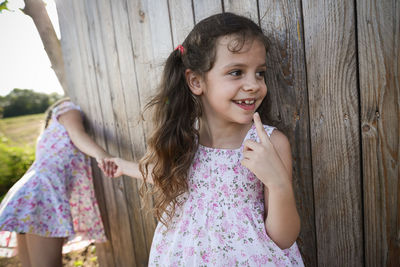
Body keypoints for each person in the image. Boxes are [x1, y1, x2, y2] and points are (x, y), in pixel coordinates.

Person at [100, 12, 304, 266]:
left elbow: (284, 239)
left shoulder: (267, 144)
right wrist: (122, 166)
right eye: (237, 72)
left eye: (260, 72)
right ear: (196, 81)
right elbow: (163, 174)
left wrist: (278, 184)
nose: (254, 84)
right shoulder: (185, 139)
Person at [0, 98, 108, 267]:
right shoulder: (68, 109)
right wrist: (102, 155)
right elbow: (78, 135)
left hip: (29, 194)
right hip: (43, 195)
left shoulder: (49, 133)